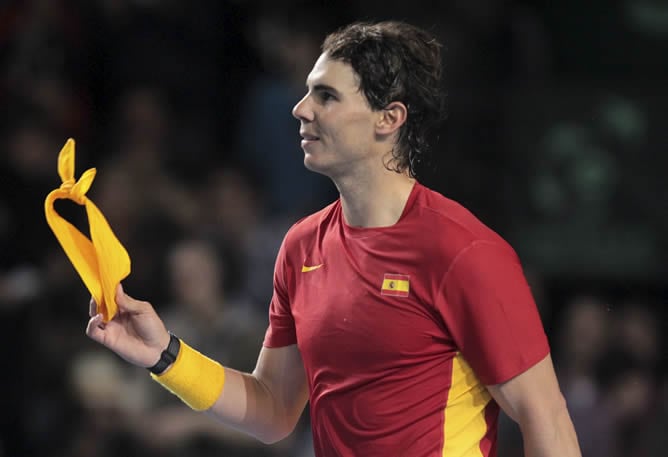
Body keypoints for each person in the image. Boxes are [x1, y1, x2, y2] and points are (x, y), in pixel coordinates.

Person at [86, 21, 581, 456]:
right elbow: (274, 410)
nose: (301, 109)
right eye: (307, 92)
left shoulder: (464, 253)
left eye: (326, 95)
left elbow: (546, 420)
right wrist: (164, 355)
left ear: (389, 119)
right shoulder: (302, 246)